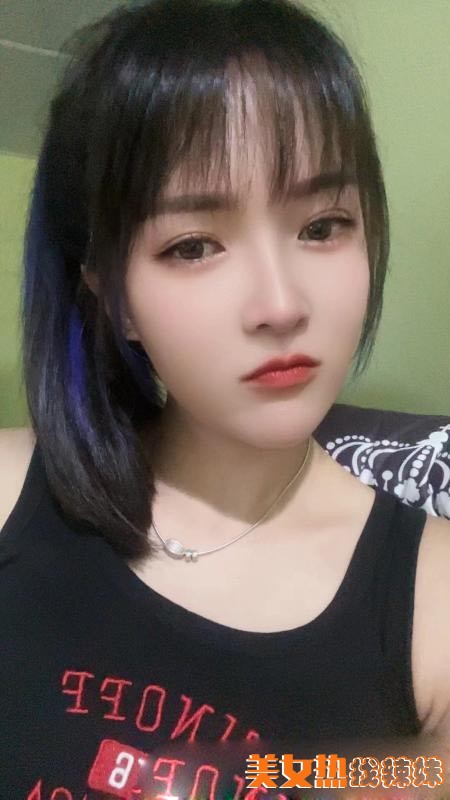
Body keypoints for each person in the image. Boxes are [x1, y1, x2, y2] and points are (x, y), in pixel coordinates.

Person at [0, 0, 449, 797]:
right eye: (193, 245)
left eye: (323, 226)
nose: (280, 304)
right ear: (112, 297)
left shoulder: (431, 602)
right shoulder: (8, 495)